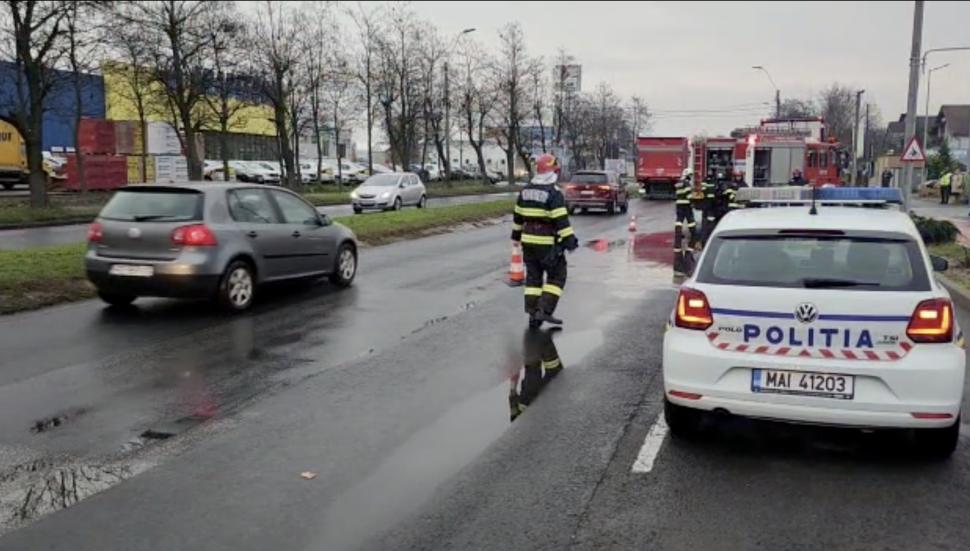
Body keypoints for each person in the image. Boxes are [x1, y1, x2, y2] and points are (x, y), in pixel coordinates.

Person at [511, 153, 579, 328]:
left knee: (533, 279)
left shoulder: (525, 191)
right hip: (547, 243)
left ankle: (533, 315)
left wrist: (516, 237)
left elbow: (518, 216)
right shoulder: (553, 193)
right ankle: (544, 310)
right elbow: (561, 220)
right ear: (552, 171)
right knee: (557, 276)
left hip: (528, 243)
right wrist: (570, 241)